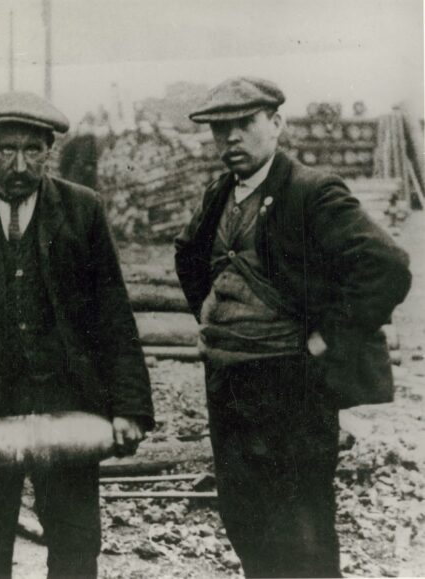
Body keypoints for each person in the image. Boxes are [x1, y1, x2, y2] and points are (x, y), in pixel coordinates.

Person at [0, 91, 154, 579]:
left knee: (76, 546)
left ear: (49, 151)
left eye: (32, 151)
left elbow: (113, 318)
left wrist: (128, 407)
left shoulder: (83, 213)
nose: (19, 164)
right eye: (8, 149)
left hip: (66, 408)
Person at [175, 77, 411, 578]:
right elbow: (190, 256)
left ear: (276, 125)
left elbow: (385, 265)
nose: (231, 139)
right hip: (227, 382)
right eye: (221, 129)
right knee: (244, 520)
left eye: (245, 124)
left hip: (291, 387)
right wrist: (215, 318)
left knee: (301, 532)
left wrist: (328, 340)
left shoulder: (310, 190)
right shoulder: (220, 193)